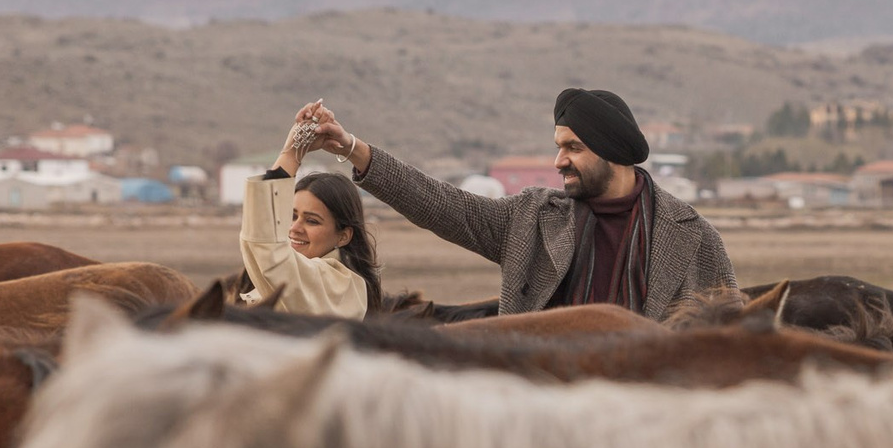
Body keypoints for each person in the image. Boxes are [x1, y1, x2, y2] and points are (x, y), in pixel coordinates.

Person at [305, 87, 734, 319]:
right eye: (558, 146)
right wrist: (351, 148)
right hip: (540, 414)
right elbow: (440, 204)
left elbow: (732, 342)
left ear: (612, 153)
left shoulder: (693, 238)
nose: (558, 161)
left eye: (574, 148)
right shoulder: (531, 218)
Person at [238, 102, 383, 317]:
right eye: (292, 216)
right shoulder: (303, 276)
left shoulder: (336, 284)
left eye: (312, 221)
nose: (295, 228)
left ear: (343, 236)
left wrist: (293, 152)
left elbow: (267, 247)